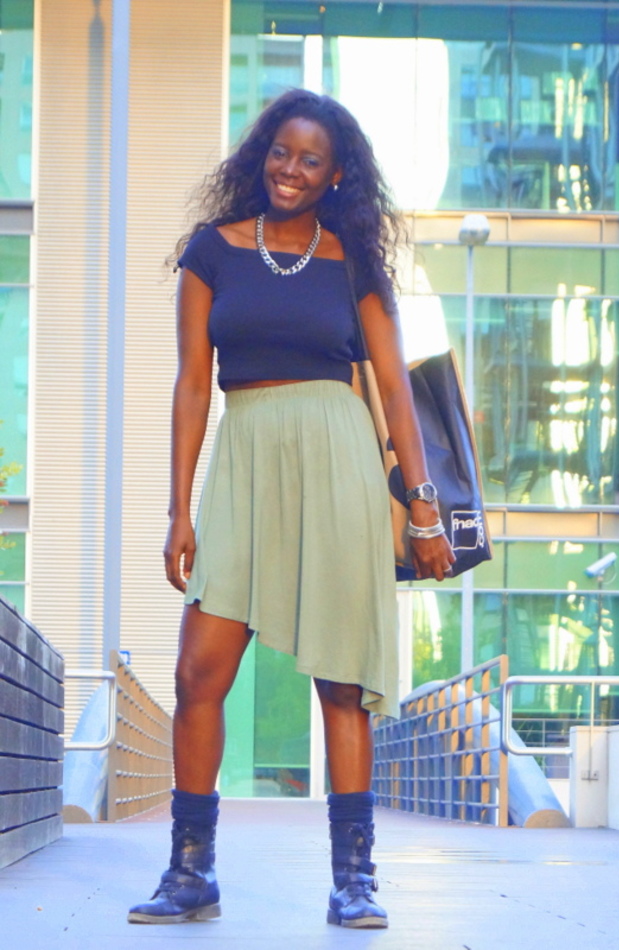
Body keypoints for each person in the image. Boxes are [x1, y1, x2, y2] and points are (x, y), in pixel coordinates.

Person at [127, 88, 454, 930]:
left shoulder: (352, 260)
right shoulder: (212, 251)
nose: (291, 170)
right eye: (281, 152)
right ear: (260, 154)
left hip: (339, 462)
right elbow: (192, 386)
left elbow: (394, 387)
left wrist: (423, 509)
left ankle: (354, 880)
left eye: (311, 160)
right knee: (198, 673)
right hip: (244, 462)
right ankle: (190, 871)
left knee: (342, 682)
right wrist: (178, 511)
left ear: (335, 175)